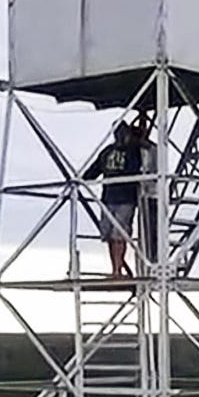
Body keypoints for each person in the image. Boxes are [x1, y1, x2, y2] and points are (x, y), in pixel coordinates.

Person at [83, 113, 151, 279]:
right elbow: (94, 170)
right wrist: (80, 180)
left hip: (126, 198)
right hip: (108, 197)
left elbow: (145, 140)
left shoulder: (135, 150)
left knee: (119, 235)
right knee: (109, 235)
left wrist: (142, 122)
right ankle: (115, 269)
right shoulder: (107, 151)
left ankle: (117, 271)